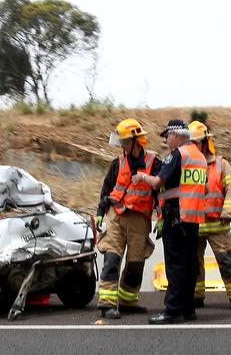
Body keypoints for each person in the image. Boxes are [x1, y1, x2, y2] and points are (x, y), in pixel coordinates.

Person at [133, 119, 207, 324]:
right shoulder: (199, 157)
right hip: (193, 218)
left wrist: (142, 177)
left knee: (175, 265)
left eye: (167, 136)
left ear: (176, 135)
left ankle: (172, 310)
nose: (166, 140)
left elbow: (157, 182)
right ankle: (188, 308)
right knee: (190, 264)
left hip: (175, 215)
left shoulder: (178, 155)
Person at [95, 118, 162, 319]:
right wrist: (100, 213)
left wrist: (161, 216)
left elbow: (160, 192)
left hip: (139, 220)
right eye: (120, 142)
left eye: (125, 141)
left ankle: (127, 301)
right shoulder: (117, 163)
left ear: (136, 140)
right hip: (116, 216)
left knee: (136, 264)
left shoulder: (154, 163)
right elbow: (106, 189)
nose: (122, 145)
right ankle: (106, 304)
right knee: (112, 258)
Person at [187, 121, 231, 312]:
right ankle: (196, 296)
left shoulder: (221, 164)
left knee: (226, 260)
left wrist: (228, 211)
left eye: (197, 142)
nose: (194, 147)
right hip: (194, 223)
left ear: (206, 142)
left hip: (217, 223)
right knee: (193, 262)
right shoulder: (185, 164)